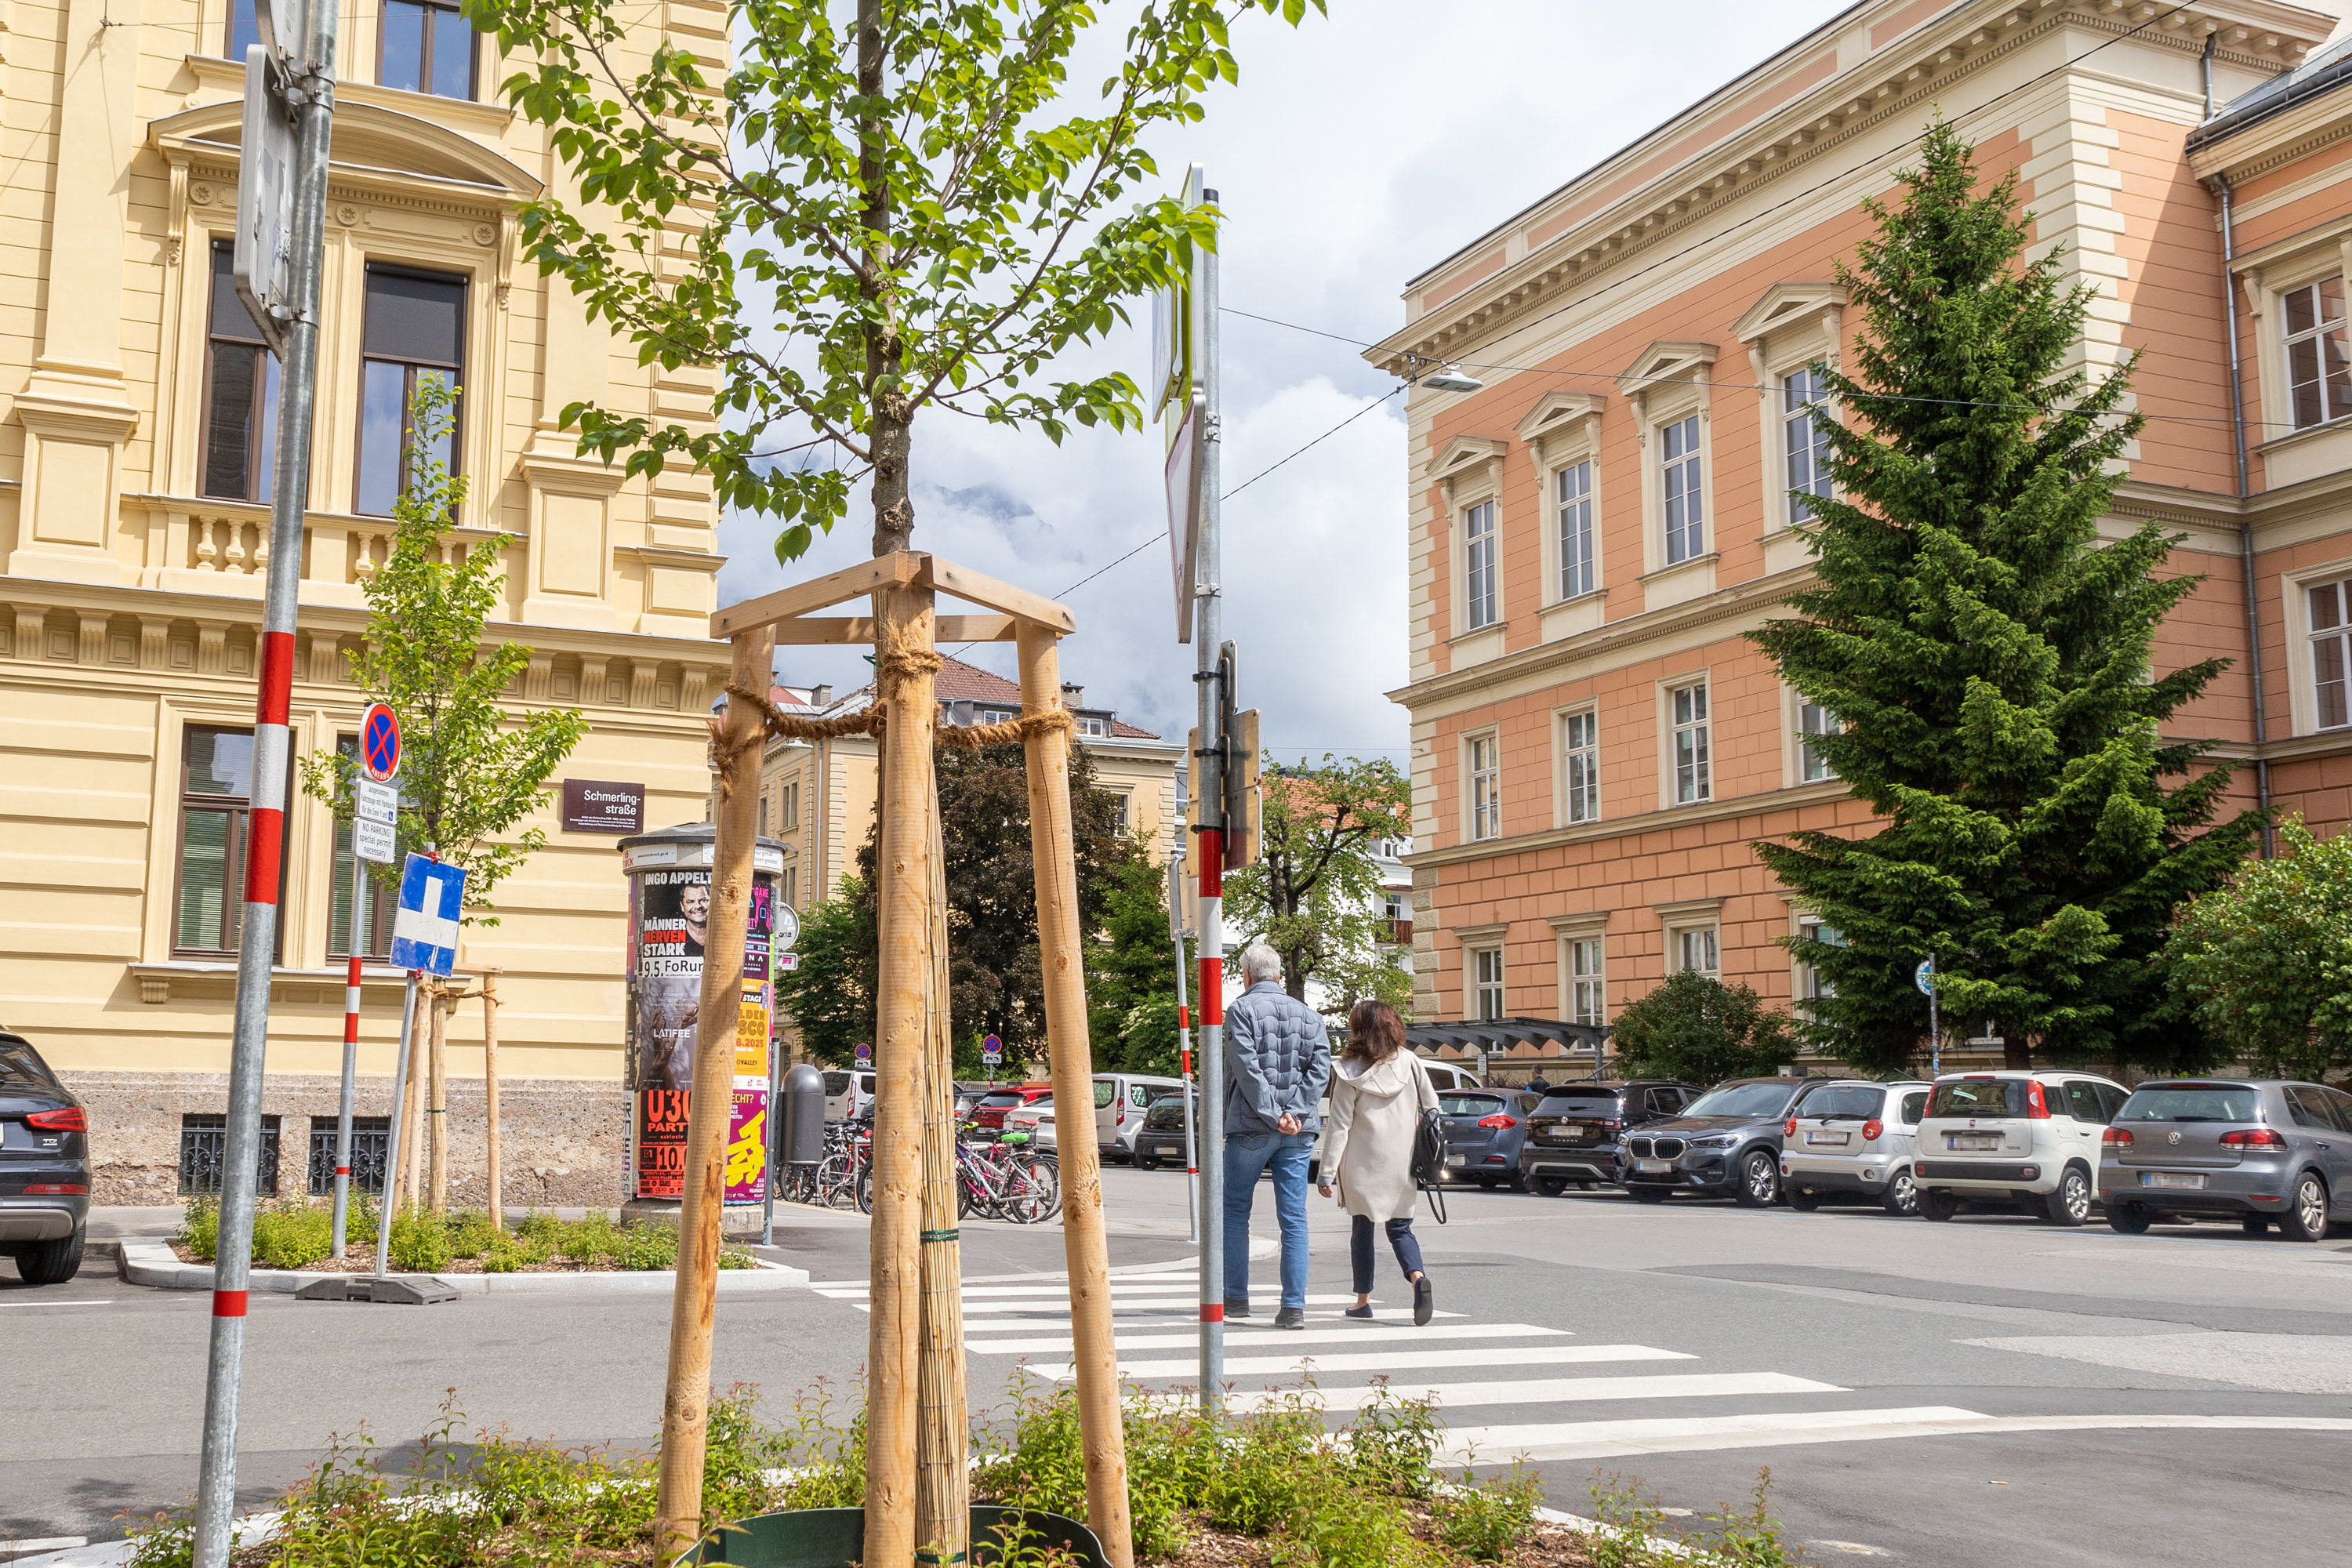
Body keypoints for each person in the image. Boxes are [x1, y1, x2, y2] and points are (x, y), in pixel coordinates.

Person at [1221, 942, 1332, 1330]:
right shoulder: (1311, 1017)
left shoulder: (1240, 1010)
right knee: (1294, 1218)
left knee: (1235, 1211)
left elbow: (1248, 1070)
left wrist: (1273, 1114)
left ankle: (1236, 1299)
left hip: (1251, 1127)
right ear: (1280, 976)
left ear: (1247, 976)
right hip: (1299, 1132)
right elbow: (1320, 1072)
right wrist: (1294, 1113)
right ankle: (1293, 1308)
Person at [1316, 999, 1437, 1325]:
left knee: (1362, 1229)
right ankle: (1417, 1277)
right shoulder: (1410, 1063)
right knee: (1400, 1227)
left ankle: (1362, 1300)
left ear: (1360, 1029)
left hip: (1361, 1164)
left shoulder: (1348, 1071)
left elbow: (1340, 1125)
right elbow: (1432, 1106)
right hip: (1403, 1160)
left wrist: (1326, 1174)